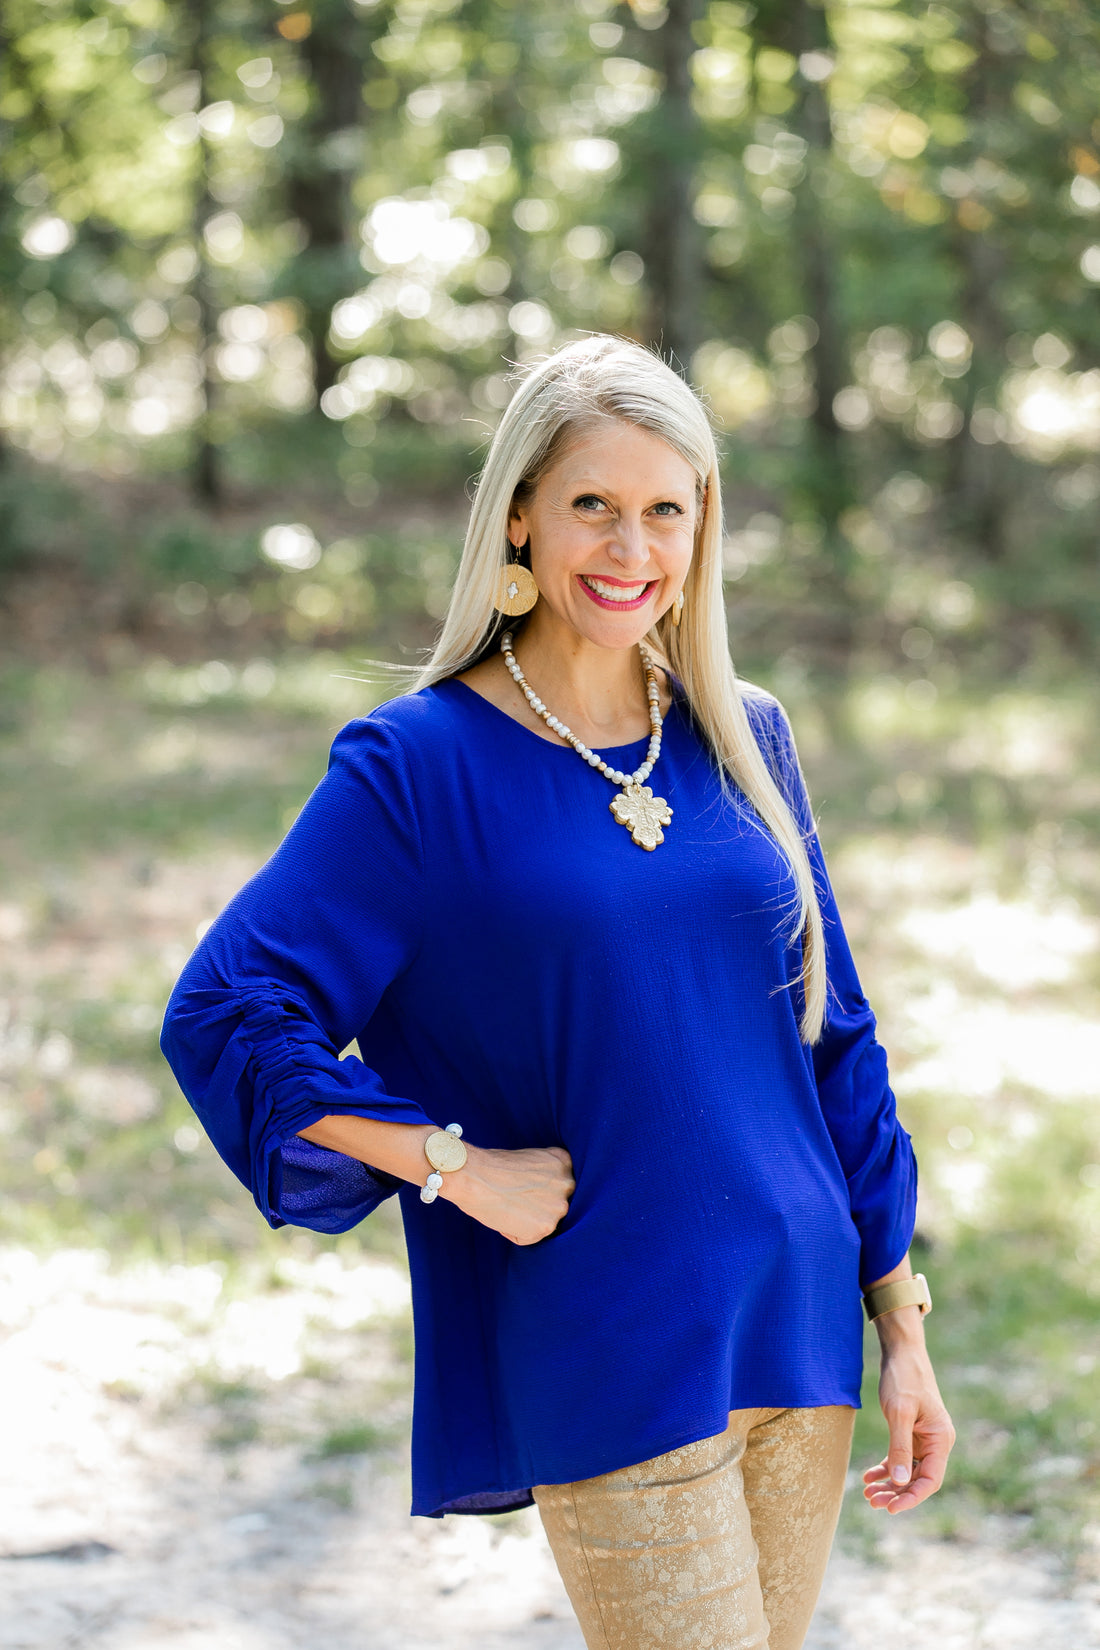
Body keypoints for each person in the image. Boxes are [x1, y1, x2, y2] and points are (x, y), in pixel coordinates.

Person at [161, 334, 955, 1650]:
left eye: (666, 508)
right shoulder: (417, 767)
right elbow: (227, 1010)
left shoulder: (742, 735)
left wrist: (899, 1316)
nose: (629, 545)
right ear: (520, 511)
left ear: (703, 526)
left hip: (797, 1315)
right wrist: (448, 1162)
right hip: (611, 1330)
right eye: (594, 502)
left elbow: (836, 1034)